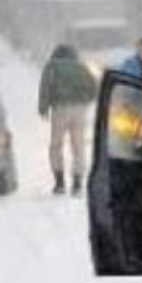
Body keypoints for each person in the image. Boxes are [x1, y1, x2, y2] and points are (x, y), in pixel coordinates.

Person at [38, 44, 98, 196]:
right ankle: (77, 183)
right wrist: (86, 101)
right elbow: (94, 87)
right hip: (80, 109)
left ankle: (60, 183)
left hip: (60, 108)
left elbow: (45, 86)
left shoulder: (52, 66)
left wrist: (43, 107)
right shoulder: (82, 66)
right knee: (78, 145)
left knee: (56, 145)